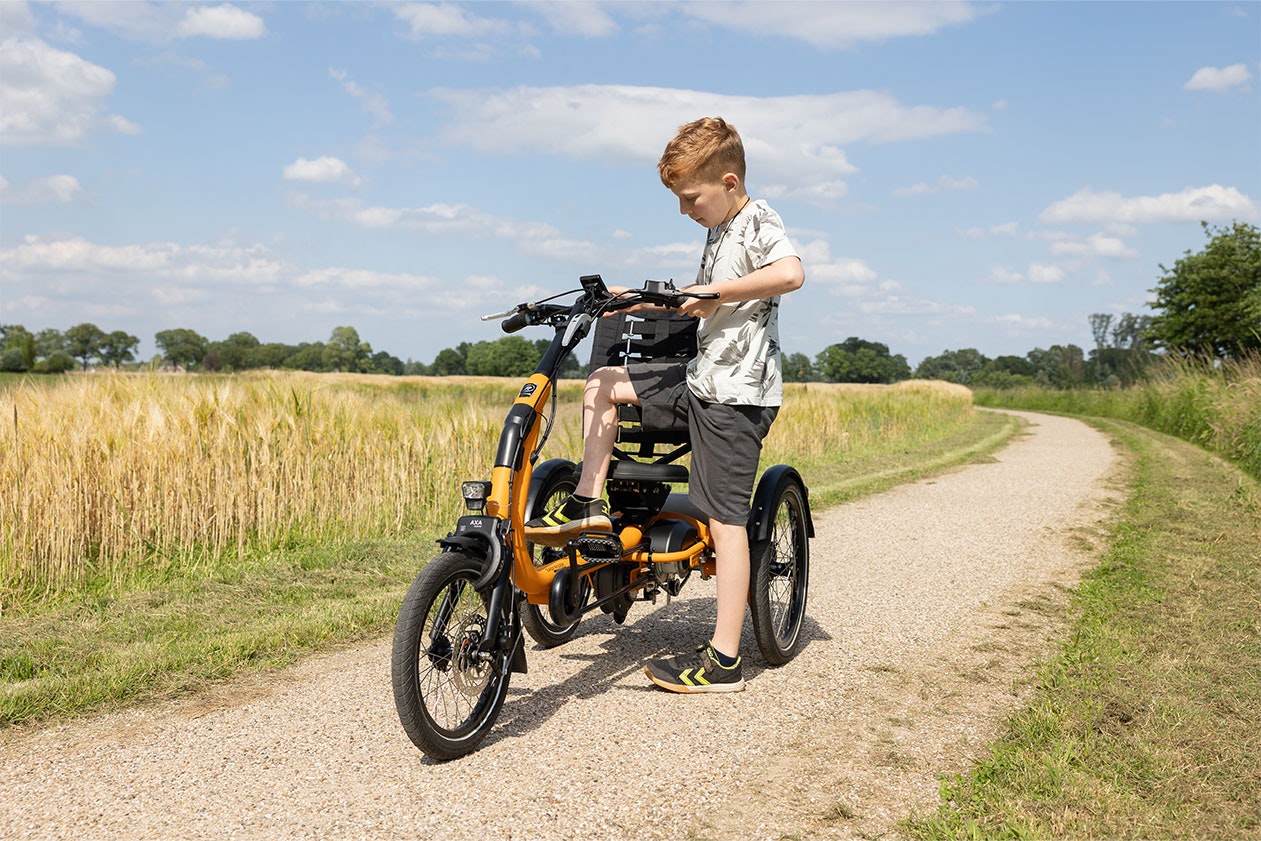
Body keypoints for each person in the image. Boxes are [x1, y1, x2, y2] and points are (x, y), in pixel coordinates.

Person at [525, 116, 805, 693]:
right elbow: (701, 306)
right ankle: (584, 504)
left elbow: (791, 273)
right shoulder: (719, 232)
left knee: (727, 523)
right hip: (699, 379)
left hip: (735, 397)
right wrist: (638, 302)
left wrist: (713, 291)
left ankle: (725, 660)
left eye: (689, 198)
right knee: (603, 382)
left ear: (729, 182)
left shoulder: (756, 220)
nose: (683, 210)